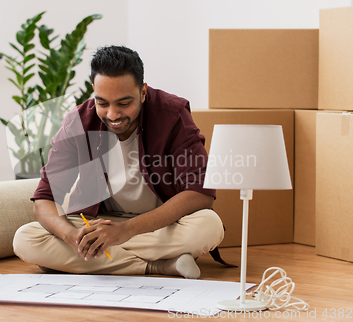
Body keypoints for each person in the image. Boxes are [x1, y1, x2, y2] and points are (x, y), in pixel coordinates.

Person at [13, 45, 224, 279]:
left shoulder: (172, 114)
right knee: (26, 239)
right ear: (93, 90)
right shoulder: (78, 122)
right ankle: (160, 265)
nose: (113, 114)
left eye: (124, 103)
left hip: (160, 224)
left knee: (209, 226)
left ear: (143, 92)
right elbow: (45, 198)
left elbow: (200, 193)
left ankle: (92, 261)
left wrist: (126, 231)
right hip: (101, 223)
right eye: (102, 103)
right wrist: (71, 237)